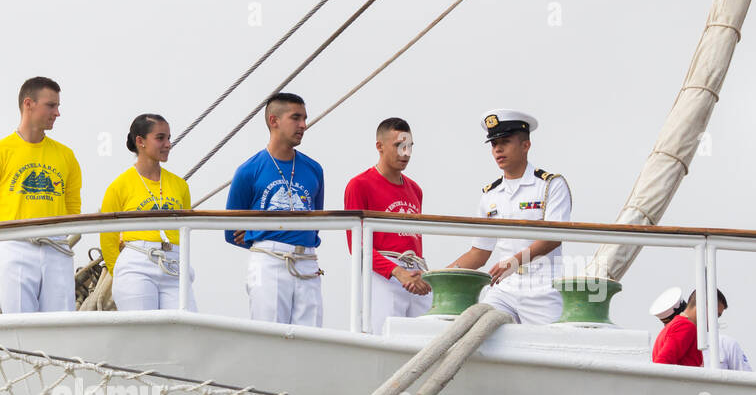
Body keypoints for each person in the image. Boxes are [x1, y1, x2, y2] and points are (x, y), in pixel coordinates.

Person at [446, 109, 572, 324]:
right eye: (494, 144)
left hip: (542, 287)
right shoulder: (490, 195)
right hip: (504, 288)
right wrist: (442, 275)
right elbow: (479, 252)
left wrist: (514, 262)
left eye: (505, 141)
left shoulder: (550, 185)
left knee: (549, 350)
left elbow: (553, 236)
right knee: (473, 329)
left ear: (526, 145)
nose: (498, 149)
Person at [0, 76, 82, 313]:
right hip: (15, 245)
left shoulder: (66, 156)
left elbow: (73, 209)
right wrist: (7, 242)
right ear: (29, 104)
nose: (57, 113)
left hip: (57, 247)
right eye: (51, 105)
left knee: (61, 324)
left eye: (58, 106)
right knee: (19, 323)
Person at [225, 92, 325, 326]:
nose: (303, 125)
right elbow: (230, 230)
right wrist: (256, 236)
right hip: (268, 259)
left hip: (307, 259)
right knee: (269, 332)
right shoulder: (249, 170)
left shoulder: (314, 169)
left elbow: (316, 222)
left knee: (311, 337)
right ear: (274, 120)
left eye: (304, 118)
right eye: (296, 118)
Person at [343, 117, 432, 333]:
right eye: (398, 146)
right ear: (379, 146)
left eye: (409, 146)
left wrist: (419, 274)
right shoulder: (359, 185)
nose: (405, 153)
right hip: (384, 274)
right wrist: (397, 272)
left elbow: (414, 240)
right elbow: (357, 245)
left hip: (416, 271)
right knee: (385, 339)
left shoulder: (415, 189)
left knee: (427, 340)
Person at [99, 114, 195, 310]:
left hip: (174, 264)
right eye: (160, 138)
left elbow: (184, 231)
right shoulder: (119, 186)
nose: (168, 144)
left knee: (184, 329)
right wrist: (121, 272)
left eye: (169, 138)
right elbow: (108, 238)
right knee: (142, 333)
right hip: (136, 264)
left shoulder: (180, 185)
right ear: (140, 141)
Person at [649, 286, 751, 370]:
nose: (715, 321)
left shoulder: (671, 328)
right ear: (703, 305)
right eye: (716, 315)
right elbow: (662, 365)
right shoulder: (686, 327)